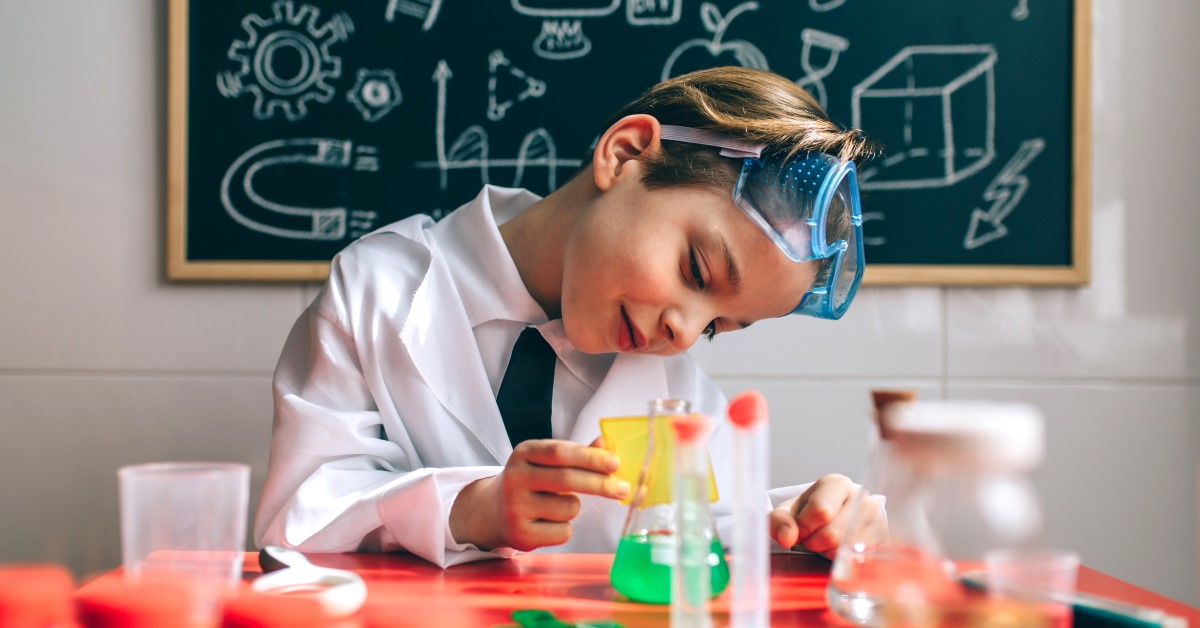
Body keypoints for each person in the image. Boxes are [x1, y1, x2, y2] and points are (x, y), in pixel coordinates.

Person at [254, 66, 889, 568]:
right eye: (696, 271)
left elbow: (707, 539)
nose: (686, 333)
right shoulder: (378, 288)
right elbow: (295, 524)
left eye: (719, 326)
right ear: (626, 152)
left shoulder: (674, 391)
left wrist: (807, 524)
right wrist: (467, 511)